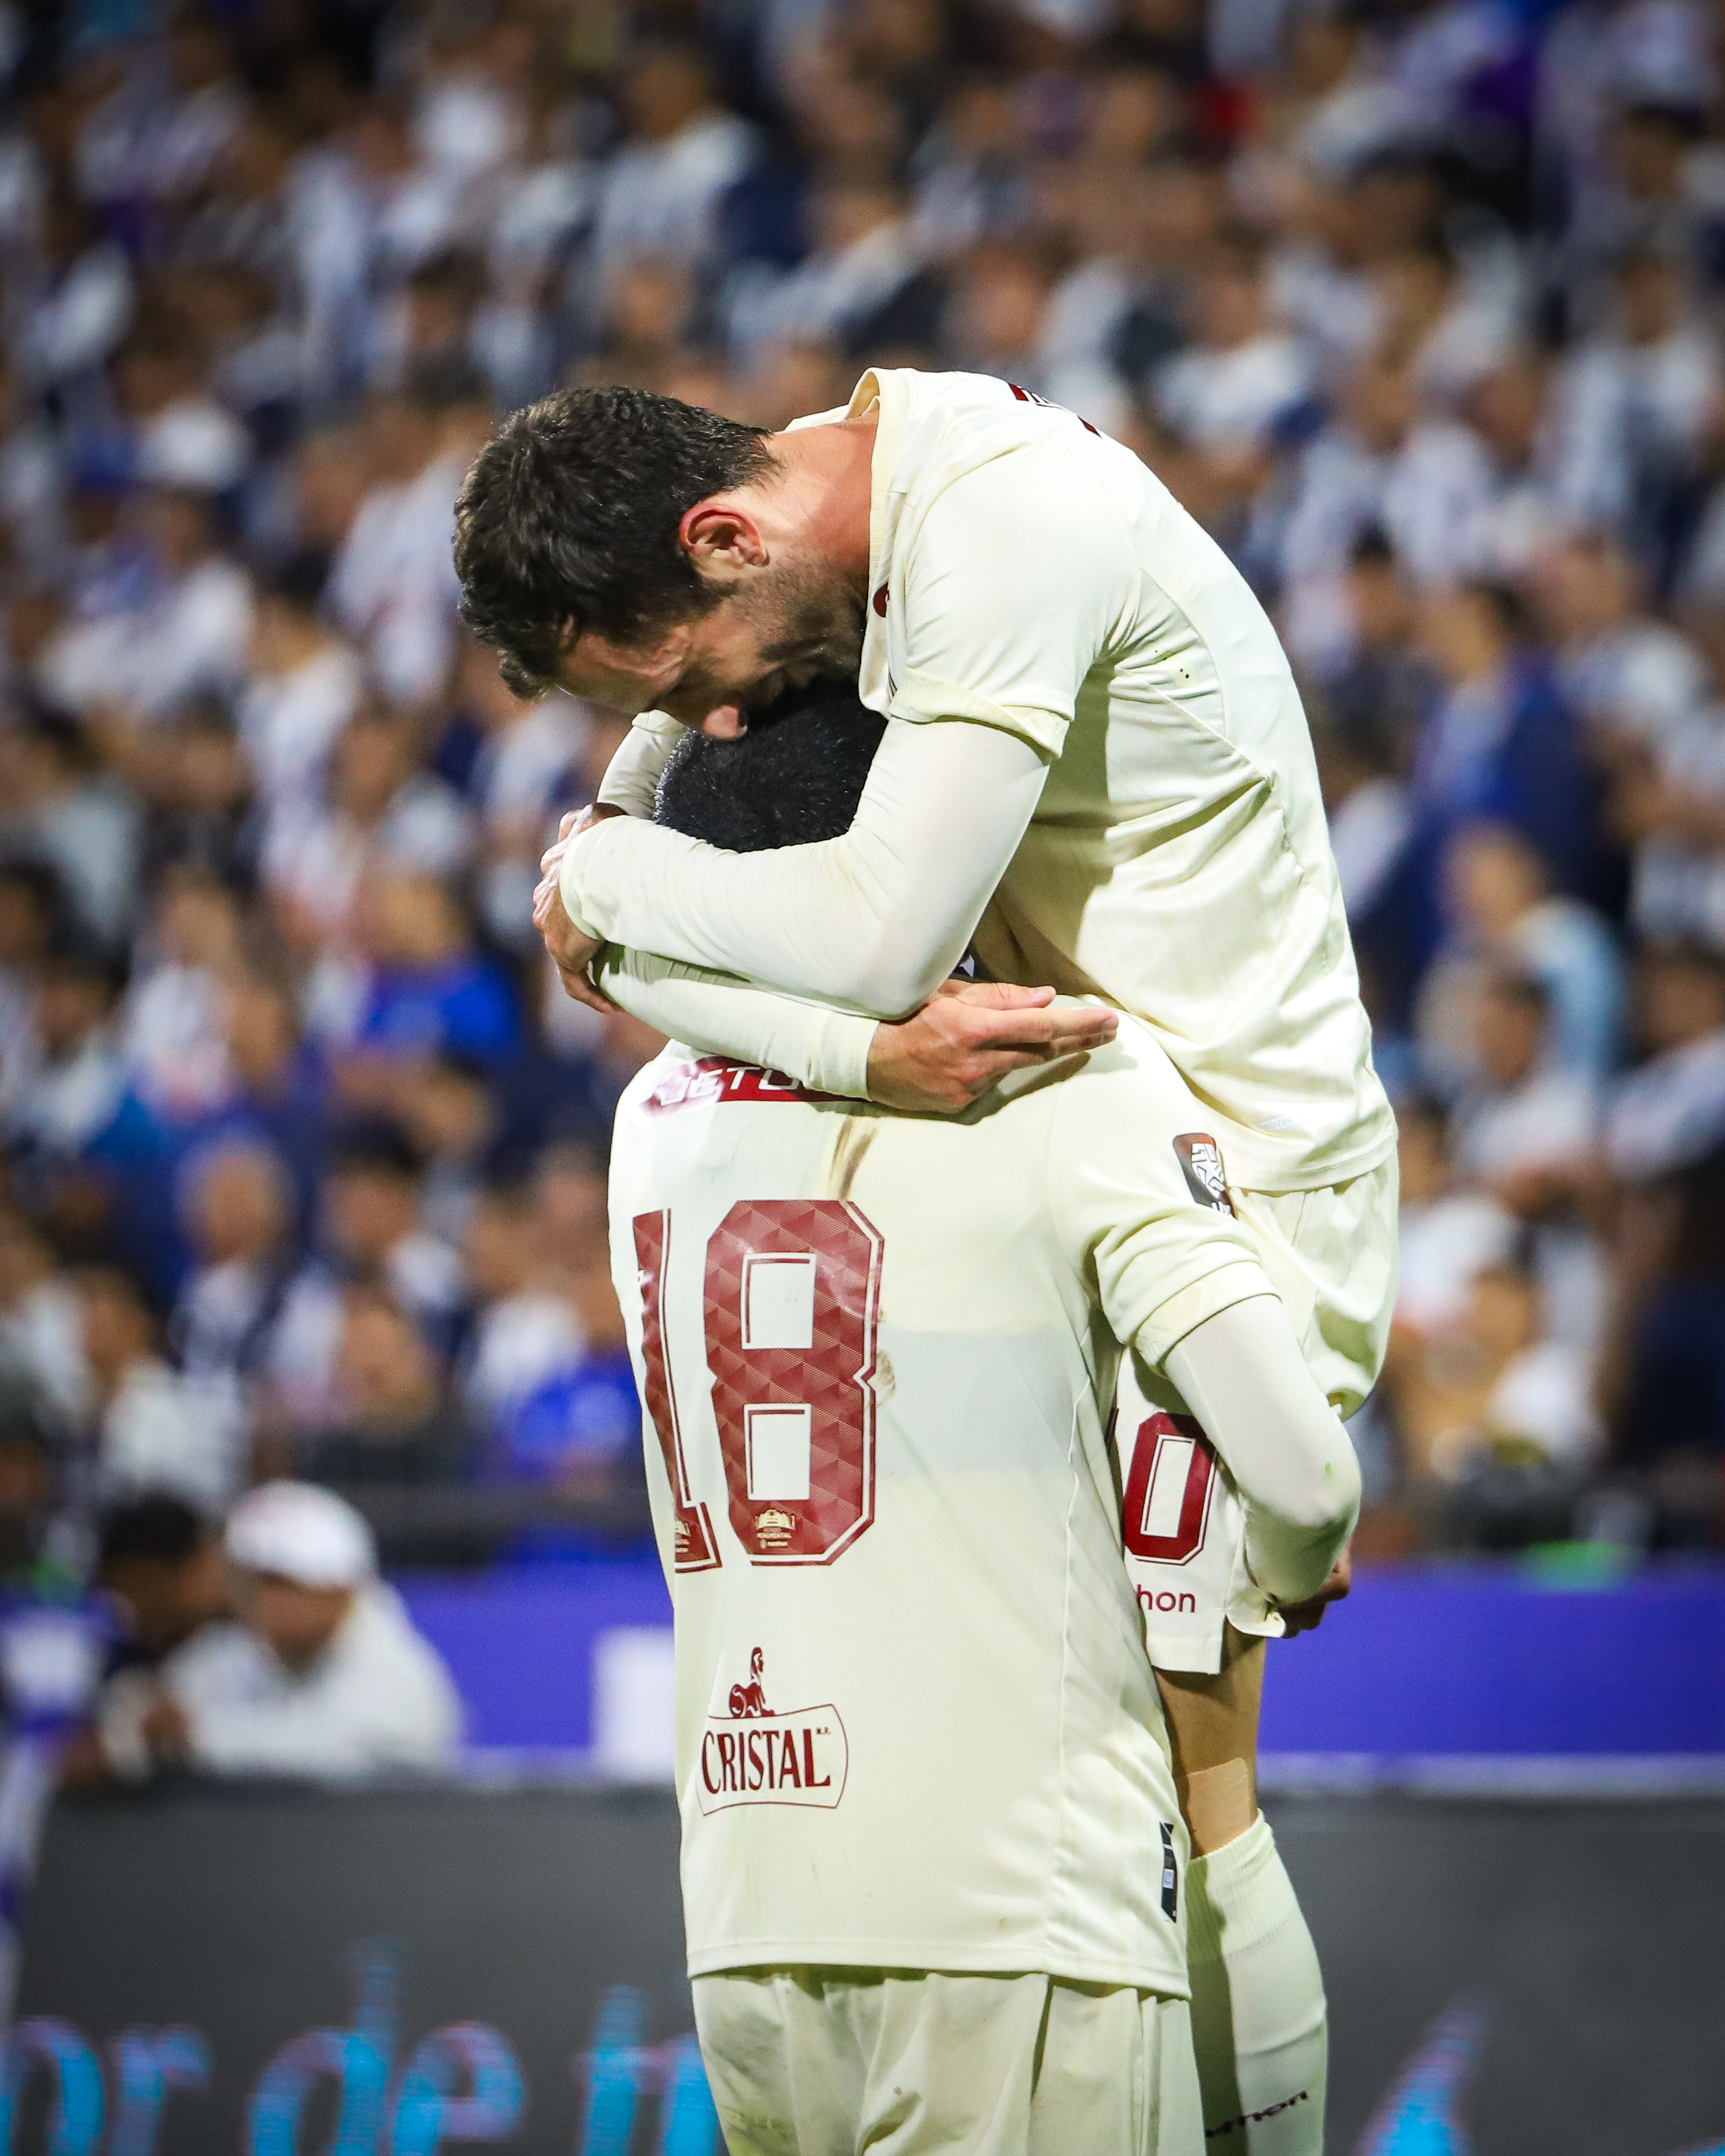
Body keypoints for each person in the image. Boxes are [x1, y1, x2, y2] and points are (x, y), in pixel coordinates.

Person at [608, 685, 1360, 2154]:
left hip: (749, 1909)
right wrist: (1286, 1543)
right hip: (1016, 1905)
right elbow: (1301, 1468)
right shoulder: (1054, 1071)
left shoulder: (647, 1118)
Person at [458, 373, 1397, 1438]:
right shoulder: (810, 494)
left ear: (722, 540)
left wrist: (597, 877)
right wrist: (612, 834)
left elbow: (878, 947)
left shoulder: (1005, 522)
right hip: (1051, 1134)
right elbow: (653, 858)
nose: (713, 726)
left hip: (1237, 1173)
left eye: (681, 680)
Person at [105, 1481, 462, 1782]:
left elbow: (344, 1750)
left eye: (283, 1583)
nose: (265, 1601)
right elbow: (147, 1713)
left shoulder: (399, 1671)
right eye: (254, 1582)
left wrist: (200, 1738)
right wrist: (137, 1735)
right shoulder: (235, 1653)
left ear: (339, 1590)